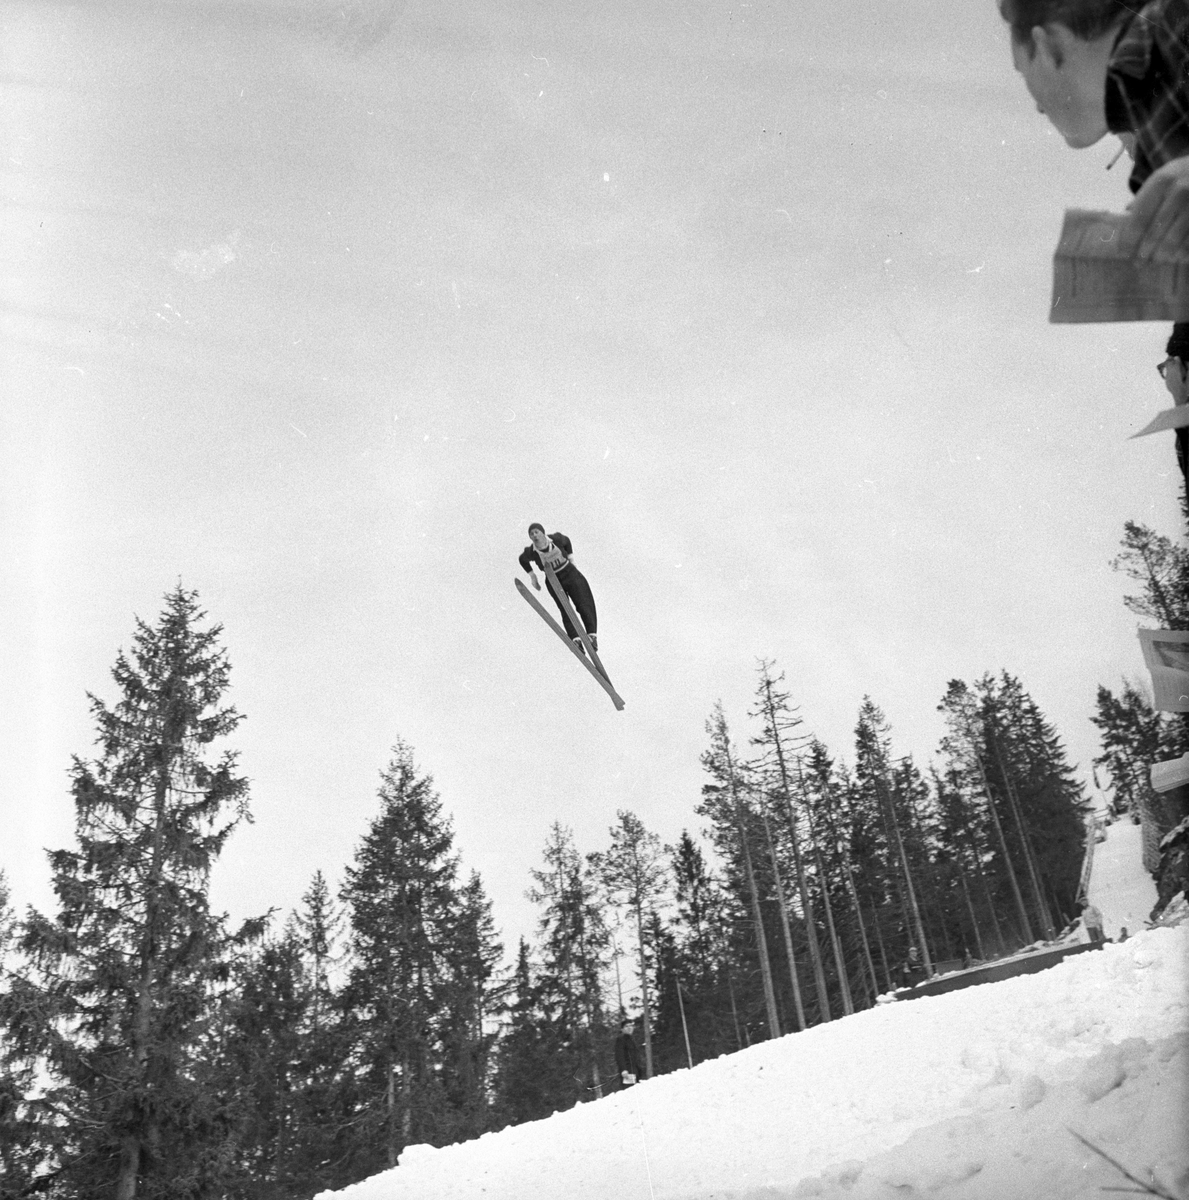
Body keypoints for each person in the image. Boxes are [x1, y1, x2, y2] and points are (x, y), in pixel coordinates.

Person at [999, 0, 1189, 480]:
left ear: (1047, 46)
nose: (1039, 104)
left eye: (1024, 76)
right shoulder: (1147, 105)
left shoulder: (1172, 34)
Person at [518, 524, 599, 653]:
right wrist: (533, 577)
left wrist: (572, 560)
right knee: (565, 608)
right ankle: (576, 639)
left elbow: (567, 541)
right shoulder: (531, 552)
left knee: (584, 602)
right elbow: (522, 560)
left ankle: (591, 636)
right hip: (553, 579)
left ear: (542, 533)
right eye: (531, 534)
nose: (534, 535)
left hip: (569, 572)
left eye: (536, 532)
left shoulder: (556, 539)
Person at [614, 1017, 643, 1089]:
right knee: (629, 1092)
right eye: (626, 1026)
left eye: (631, 1026)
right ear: (622, 1029)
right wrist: (624, 1069)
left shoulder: (631, 1040)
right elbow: (619, 1055)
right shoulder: (621, 1039)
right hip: (628, 1072)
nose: (629, 1028)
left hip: (635, 1071)